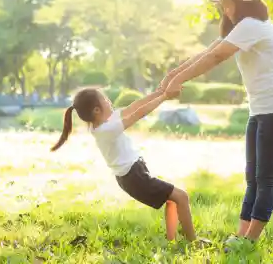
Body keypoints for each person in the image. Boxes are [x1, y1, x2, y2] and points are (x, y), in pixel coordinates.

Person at [160, 0, 273, 249]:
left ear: (237, 2)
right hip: (261, 109)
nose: (223, 9)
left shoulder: (252, 26)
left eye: (225, 3)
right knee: (253, 176)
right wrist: (174, 74)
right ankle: (241, 235)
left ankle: (250, 241)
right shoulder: (241, 27)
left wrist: (178, 81)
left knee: (266, 178)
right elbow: (209, 50)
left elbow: (215, 58)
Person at [50, 87, 209, 244]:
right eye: (105, 99)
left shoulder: (103, 123)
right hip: (133, 177)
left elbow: (134, 106)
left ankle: (172, 239)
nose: (109, 101)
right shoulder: (107, 129)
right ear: (97, 110)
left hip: (133, 174)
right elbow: (138, 114)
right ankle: (193, 241)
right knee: (182, 196)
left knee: (173, 200)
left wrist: (160, 92)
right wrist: (164, 97)